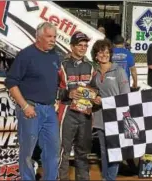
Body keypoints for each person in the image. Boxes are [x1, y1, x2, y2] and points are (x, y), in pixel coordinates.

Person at [5, 22, 60, 180]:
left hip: (49, 110)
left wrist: (54, 100)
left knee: (53, 150)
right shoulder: (26, 55)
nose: (53, 40)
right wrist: (25, 106)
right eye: (49, 36)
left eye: (55, 37)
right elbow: (11, 82)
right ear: (39, 37)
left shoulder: (54, 55)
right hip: (31, 109)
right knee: (27, 152)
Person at [58, 31, 97, 180]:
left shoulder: (91, 67)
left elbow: (95, 88)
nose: (82, 48)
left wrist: (96, 97)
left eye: (85, 45)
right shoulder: (61, 65)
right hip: (67, 112)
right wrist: (68, 93)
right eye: (79, 45)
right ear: (72, 46)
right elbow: (51, 89)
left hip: (85, 114)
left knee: (83, 152)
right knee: (63, 151)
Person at [91, 39, 130, 181]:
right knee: (103, 151)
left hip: (116, 117)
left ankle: (110, 178)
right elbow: (91, 92)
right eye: (101, 52)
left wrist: (104, 101)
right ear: (96, 55)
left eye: (107, 52)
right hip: (100, 118)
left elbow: (125, 97)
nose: (104, 55)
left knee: (115, 151)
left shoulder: (119, 71)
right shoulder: (93, 73)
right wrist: (93, 99)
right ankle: (105, 178)